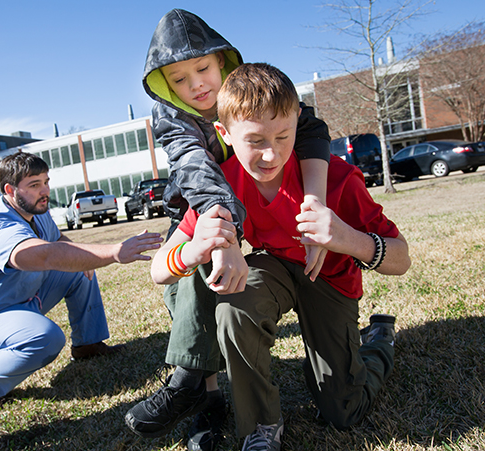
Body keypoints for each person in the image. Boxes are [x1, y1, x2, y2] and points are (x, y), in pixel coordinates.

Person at [146, 63, 411, 451]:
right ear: (225, 134)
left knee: (343, 410)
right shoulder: (222, 182)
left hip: (332, 280)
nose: (271, 155)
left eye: (283, 137)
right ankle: (261, 427)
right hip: (275, 269)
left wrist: (348, 238)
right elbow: (158, 271)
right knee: (235, 300)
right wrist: (191, 250)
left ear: (297, 125)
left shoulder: (336, 179)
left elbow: (401, 259)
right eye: (254, 140)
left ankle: (379, 339)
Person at [125, 9, 332, 449]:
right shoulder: (172, 116)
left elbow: (311, 128)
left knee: (208, 276)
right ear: (165, 86)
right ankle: (204, 394)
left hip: (264, 199)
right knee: (182, 286)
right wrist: (222, 234)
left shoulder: (255, 90)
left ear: (222, 61)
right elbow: (196, 168)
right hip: (203, 203)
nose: (196, 85)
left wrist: (314, 202)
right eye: (179, 79)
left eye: (202, 69)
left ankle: (189, 380)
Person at [0, 152, 163, 414]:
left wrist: (88, 260)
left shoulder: (33, 209)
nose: (44, 191)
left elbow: (57, 240)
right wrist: (114, 252)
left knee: (82, 268)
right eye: (34, 185)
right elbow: (46, 254)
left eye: (46, 181)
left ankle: (87, 344)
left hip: (18, 299)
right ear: (9, 190)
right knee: (45, 338)